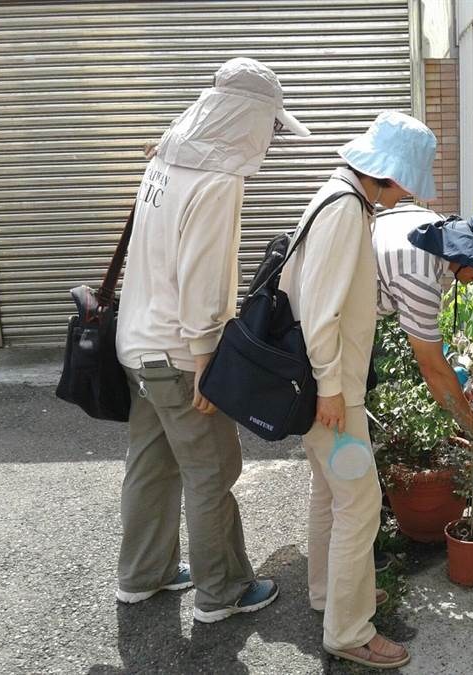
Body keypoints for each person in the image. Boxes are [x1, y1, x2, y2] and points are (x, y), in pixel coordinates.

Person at [114, 57, 311, 624]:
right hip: (178, 354)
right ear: (246, 118)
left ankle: (142, 576)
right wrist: (208, 364)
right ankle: (222, 592)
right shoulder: (217, 179)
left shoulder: (165, 156)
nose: (271, 141)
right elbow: (202, 281)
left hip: (137, 343)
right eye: (272, 127)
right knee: (211, 472)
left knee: (151, 464)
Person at [278, 111, 436, 669]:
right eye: (406, 183)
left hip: (326, 386)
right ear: (387, 174)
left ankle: (331, 595)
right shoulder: (346, 209)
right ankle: (348, 630)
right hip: (334, 392)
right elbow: (321, 311)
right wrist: (329, 390)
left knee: (331, 494)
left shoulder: (339, 194)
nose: (406, 195)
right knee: (360, 505)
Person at [373, 204, 473, 454]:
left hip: (334, 313)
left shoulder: (430, 223)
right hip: (318, 327)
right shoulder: (418, 274)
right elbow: (433, 369)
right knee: (343, 461)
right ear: (471, 253)